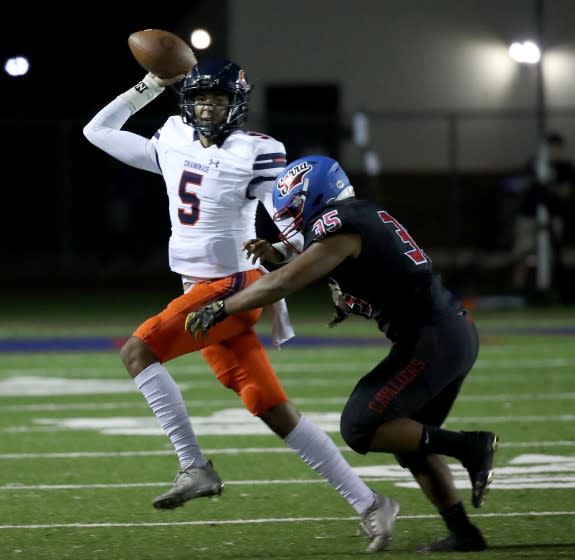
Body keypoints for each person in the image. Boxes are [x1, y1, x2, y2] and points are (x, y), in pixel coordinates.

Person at [83, 59, 399, 553]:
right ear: (187, 101)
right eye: (201, 97)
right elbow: (96, 129)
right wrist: (149, 84)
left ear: (237, 104)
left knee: (137, 352)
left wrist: (308, 261)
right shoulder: (172, 138)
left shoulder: (256, 152)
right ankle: (370, 503)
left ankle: (195, 467)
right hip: (198, 286)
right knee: (270, 407)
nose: (209, 106)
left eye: (220, 98)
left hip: (233, 285)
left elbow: (292, 218)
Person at [185, 154, 499, 553]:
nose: (292, 218)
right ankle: (464, 533)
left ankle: (471, 446)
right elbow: (318, 257)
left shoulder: (340, 226)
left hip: (433, 339)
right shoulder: (358, 215)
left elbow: (286, 282)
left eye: (295, 207)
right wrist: (280, 254)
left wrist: (222, 308)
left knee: (360, 426)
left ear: (314, 196)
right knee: (410, 444)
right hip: (447, 332)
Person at [509, 132, 574, 299]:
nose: (551, 152)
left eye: (554, 148)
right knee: (522, 253)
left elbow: (565, 193)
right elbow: (520, 186)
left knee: (552, 255)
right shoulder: (533, 164)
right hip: (528, 216)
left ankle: (552, 290)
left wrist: (548, 184)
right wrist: (534, 179)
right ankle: (518, 291)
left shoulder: (565, 167)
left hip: (553, 217)